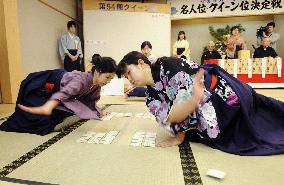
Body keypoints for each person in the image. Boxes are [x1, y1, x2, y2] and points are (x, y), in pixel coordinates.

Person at [116, 51, 284, 156]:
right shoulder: (150, 98)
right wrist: (180, 130)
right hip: (202, 111)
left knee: (264, 113)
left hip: (220, 96)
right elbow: (169, 117)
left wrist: (188, 103)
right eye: (126, 77)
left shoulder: (169, 66)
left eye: (129, 72)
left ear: (141, 63)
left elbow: (178, 111)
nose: (129, 79)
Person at [0, 55, 117, 135]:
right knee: (42, 121)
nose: (107, 81)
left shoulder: (96, 84)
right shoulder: (79, 81)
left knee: (61, 114)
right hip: (43, 84)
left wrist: (99, 112)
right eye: (107, 77)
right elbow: (64, 94)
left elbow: (91, 101)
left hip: (57, 90)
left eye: (110, 79)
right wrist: (48, 106)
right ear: (98, 71)